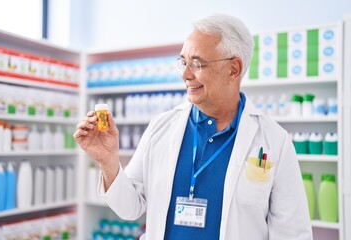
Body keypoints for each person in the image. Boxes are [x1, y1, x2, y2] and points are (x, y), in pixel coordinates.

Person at [74, 14, 313, 240]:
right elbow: (130, 208)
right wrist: (108, 162)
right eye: (183, 62)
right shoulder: (162, 126)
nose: (185, 75)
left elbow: (292, 232)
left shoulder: (274, 140)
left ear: (234, 69)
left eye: (197, 64)